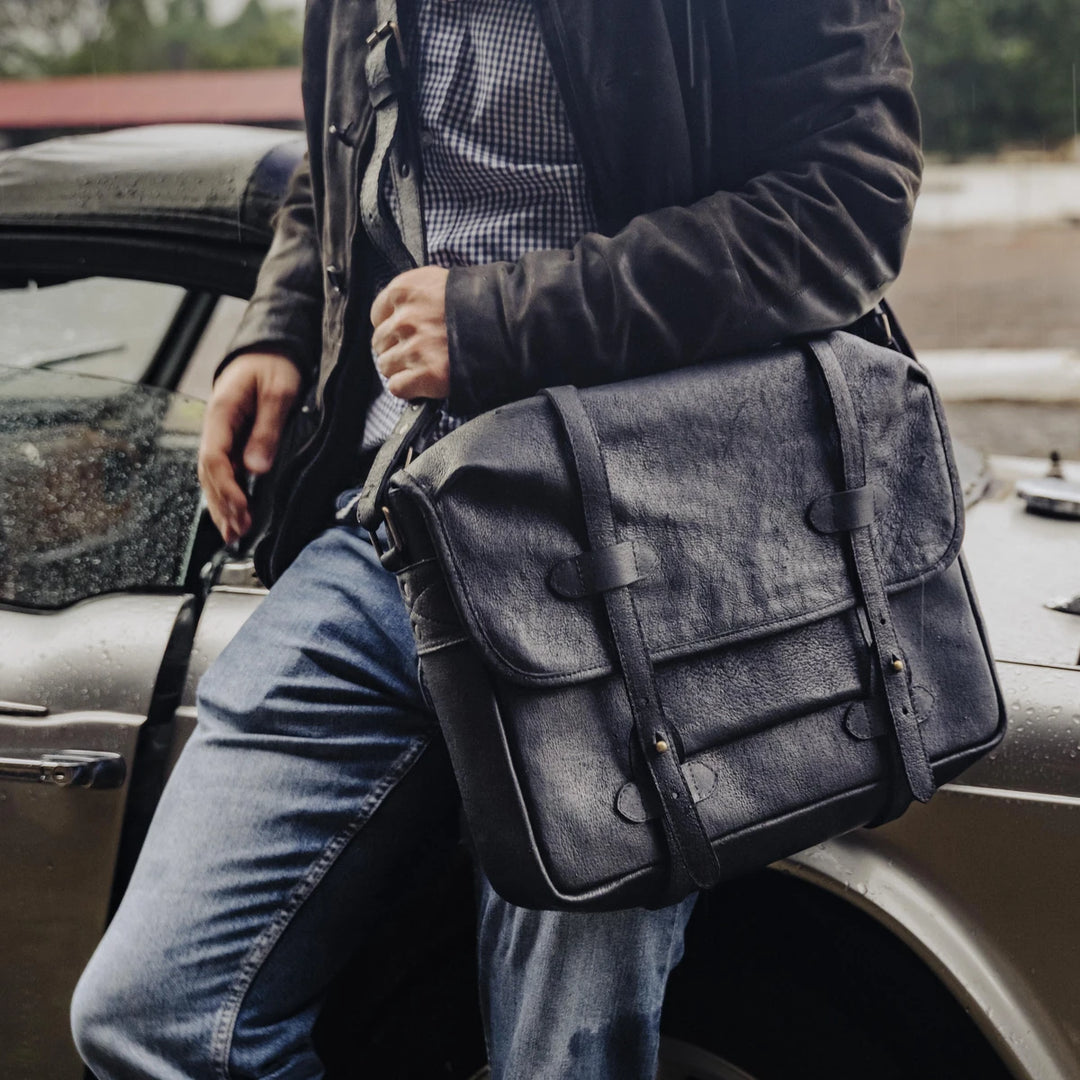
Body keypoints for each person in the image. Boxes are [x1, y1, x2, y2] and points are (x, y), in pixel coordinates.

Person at [71, 0, 922, 1076]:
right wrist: (279, 326)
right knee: (154, 1020)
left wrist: (499, 322)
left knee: (557, 1063)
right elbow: (338, 156)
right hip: (390, 528)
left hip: (643, 568)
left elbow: (848, 204)